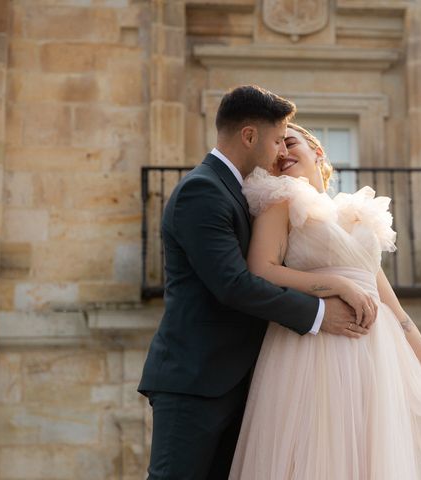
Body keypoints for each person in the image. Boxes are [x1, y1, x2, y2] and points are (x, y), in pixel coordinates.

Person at [229, 123, 421, 479]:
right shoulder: (279, 200)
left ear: (318, 152)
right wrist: (336, 283)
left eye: (289, 143)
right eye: (277, 148)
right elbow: (261, 270)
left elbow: (394, 310)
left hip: (377, 354)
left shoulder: (356, 213)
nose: (282, 153)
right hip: (315, 349)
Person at [138, 86, 378, 480]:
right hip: (196, 380)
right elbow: (233, 283)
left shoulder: (239, 193)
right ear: (249, 136)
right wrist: (320, 313)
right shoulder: (203, 190)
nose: (280, 151)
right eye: (276, 139)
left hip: (240, 380)